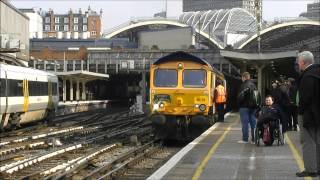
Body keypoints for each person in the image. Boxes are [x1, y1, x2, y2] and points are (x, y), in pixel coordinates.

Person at [295, 51, 320, 177]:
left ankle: (311, 169)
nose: (298, 64)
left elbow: (305, 98)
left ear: (304, 62)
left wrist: (300, 111)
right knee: (317, 140)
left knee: (307, 141)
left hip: (308, 114)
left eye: (299, 62)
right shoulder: (317, 73)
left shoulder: (307, 76)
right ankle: (318, 167)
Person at [237, 72, 260, 143]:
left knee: (245, 124)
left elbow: (240, 97)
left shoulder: (243, 85)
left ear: (243, 77)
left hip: (244, 108)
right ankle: (254, 139)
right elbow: (257, 96)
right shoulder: (254, 85)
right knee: (253, 123)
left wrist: (238, 104)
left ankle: (245, 139)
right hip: (253, 108)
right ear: (249, 77)